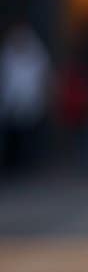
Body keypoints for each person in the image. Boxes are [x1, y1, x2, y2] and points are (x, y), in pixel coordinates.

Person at [0, 22, 51, 173]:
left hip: (30, 101)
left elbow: (44, 75)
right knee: (13, 136)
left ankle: (28, 164)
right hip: (11, 102)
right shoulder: (7, 53)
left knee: (29, 136)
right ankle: (13, 165)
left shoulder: (35, 52)